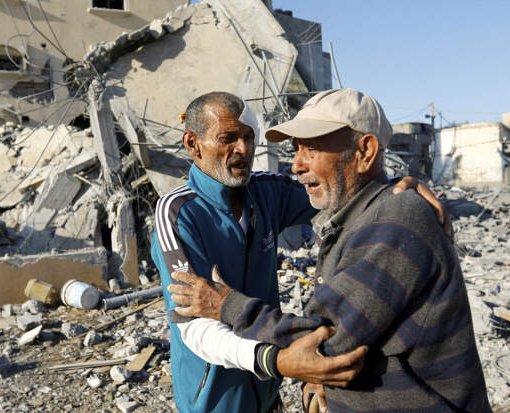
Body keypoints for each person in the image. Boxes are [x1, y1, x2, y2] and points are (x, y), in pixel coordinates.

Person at [168, 89, 492, 412]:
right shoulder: (179, 213)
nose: (296, 165)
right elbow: (192, 323)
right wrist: (282, 361)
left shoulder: (387, 221)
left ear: (365, 151)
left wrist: (397, 185)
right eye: (228, 138)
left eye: (311, 148)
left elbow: (327, 340)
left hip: (267, 389)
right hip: (216, 399)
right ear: (192, 143)